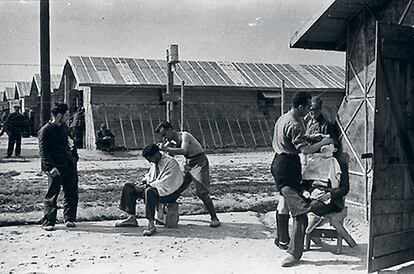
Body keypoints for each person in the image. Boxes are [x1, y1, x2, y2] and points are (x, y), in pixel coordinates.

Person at [271, 92, 333, 267]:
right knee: (301, 213)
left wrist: (314, 137)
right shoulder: (295, 124)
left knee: (283, 203)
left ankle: (282, 240)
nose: (308, 110)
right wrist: (323, 142)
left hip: (278, 162)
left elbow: (294, 139)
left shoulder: (283, 118)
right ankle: (293, 254)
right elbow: (305, 150)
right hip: (288, 168)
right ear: (300, 107)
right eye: (307, 107)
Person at [155, 121, 221, 228]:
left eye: (164, 134)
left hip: (199, 162)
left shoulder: (184, 135)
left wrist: (166, 148)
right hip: (188, 163)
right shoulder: (172, 141)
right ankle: (165, 215)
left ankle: (214, 218)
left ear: (171, 130)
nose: (164, 138)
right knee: (177, 188)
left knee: (201, 192)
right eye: (162, 136)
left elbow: (184, 151)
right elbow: (170, 156)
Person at [116, 143, 190, 236]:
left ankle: (151, 224)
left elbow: (167, 181)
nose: (149, 162)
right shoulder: (156, 162)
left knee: (149, 191)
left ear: (156, 154)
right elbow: (150, 176)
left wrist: (148, 185)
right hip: (156, 189)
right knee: (129, 187)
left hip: (169, 192)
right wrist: (143, 182)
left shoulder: (171, 163)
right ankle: (132, 218)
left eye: (149, 159)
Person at [38, 103, 79, 231]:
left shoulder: (65, 128)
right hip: (56, 168)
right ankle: (49, 222)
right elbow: (43, 152)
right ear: (59, 115)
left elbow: (71, 143)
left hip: (69, 166)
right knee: (52, 195)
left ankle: (70, 219)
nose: (68, 117)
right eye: (67, 115)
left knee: (72, 193)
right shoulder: (45, 130)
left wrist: (75, 157)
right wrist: (50, 167)